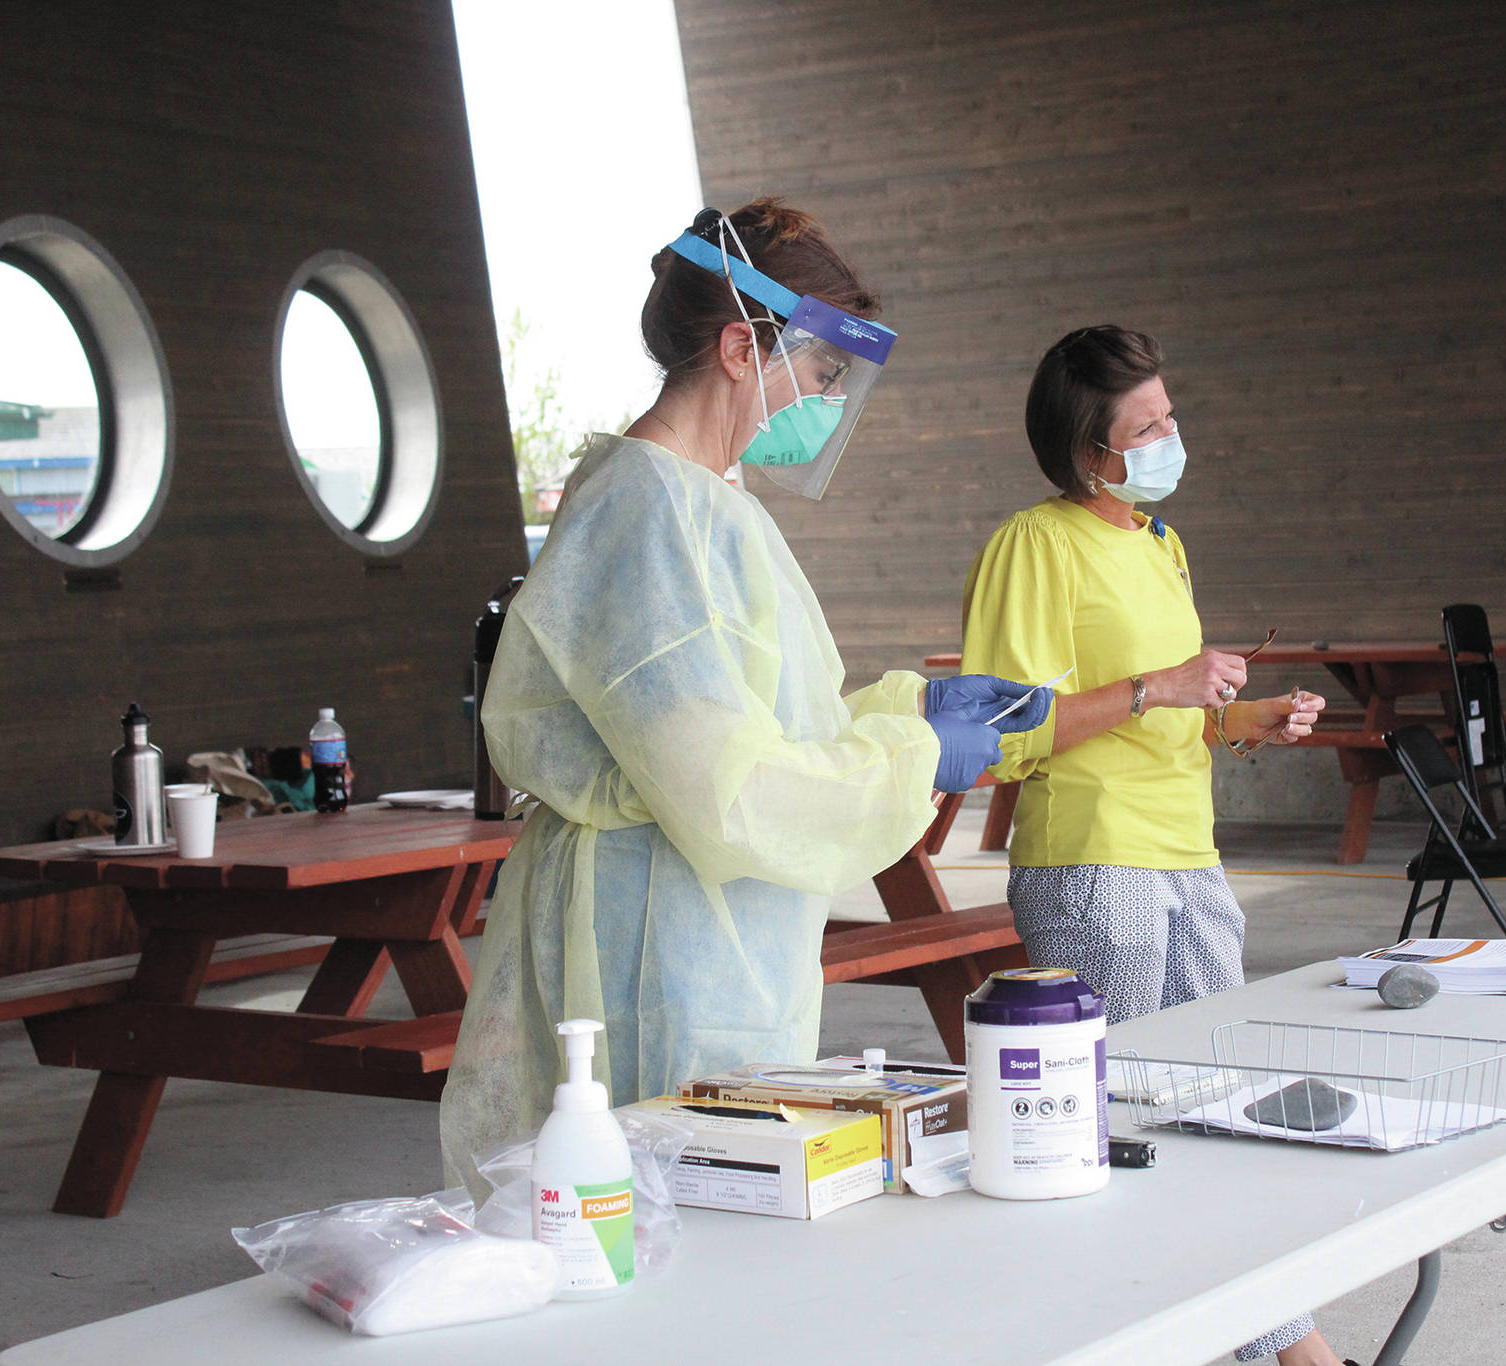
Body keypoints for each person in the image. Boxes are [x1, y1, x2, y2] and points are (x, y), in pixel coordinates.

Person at [440, 201, 1049, 1190]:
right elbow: (725, 788)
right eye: (817, 374)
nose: (821, 402)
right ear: (738, 347)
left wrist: (906, 711)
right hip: (659, 936)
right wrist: (913, 757)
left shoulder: (700, 500)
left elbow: (749, 723)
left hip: (702, 927)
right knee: (668, 1207)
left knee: (702, 1208)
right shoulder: (653, 512)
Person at [960, 326, 1351, 1366]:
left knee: (1218, 1110)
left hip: (1188, 853)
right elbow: (1003, 734)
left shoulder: (1156, 541)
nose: (1171, 436)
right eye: (1146, 427)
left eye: (1170, 414)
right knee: (1134, 1128)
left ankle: (1277, 1342)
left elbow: (1165, 715)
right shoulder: (1033, 546)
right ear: (1089, 449)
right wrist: (1159, 687)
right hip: (1094, 863)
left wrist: (1239, 719)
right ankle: (1284, 1348)